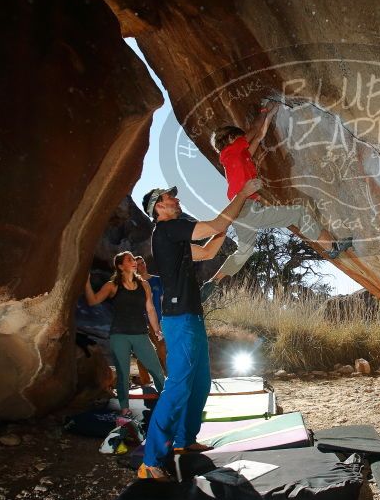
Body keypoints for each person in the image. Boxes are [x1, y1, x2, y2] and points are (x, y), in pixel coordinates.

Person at [137, 177, 262, 479]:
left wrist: (229, 223)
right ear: (159, 207)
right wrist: (242, 195)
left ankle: (184, 439)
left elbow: (206, 250)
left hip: (191, 316)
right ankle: (151, 460)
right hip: (179, 319)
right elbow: (211, 225)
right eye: (171, 198)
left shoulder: (174, 240)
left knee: (201, 381)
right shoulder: (167, 229)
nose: (177, 201)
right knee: (178, 385)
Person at [199, 102, 353, 302]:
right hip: (247, 209)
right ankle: (331, 246)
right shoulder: (230, 151)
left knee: (244, 250)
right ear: (230, 139)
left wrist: (271, 113)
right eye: (239, 137)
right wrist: (263, 110)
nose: (243, 140)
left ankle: (213, 282)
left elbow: (260, 135)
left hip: (240, 213)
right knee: (298, 213)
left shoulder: (240, 155)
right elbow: (254, 131)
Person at [84, 251, 165, 418]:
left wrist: (156, 329)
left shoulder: (144, 285)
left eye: (134, 259)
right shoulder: (112, 285)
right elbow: (93, 301)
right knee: (122, 373)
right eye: (130, 260)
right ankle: (124, 409)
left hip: (140, 333)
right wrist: (86, 282)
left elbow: (150, 309)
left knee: (156, 369)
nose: (134, 261)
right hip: (119, 335)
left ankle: (167, 402)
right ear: (121, 266)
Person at [133, 256, 166, 384]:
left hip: (159, 321)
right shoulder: (135, 284)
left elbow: (164, 300)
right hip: (142, 323)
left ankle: (168, 379)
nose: (142, 266)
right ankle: (146, 381)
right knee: (147, 351)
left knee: (162, 349)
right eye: (139, 264)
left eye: (143, 263)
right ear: (135, 268)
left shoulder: (157, 281)